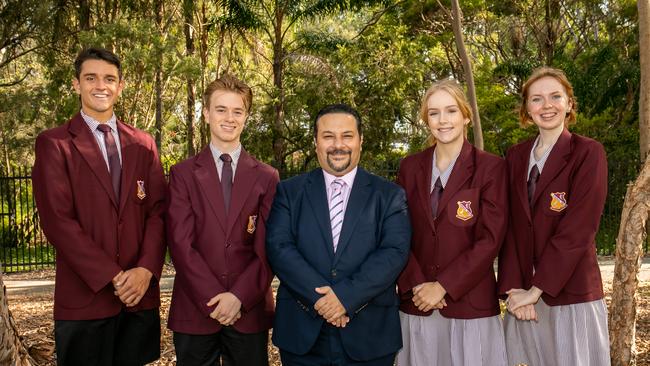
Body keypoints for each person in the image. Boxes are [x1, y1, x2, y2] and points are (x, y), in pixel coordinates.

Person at [32, 47, 166, 365]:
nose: (100, 86)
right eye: (91, 78)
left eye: (109, 79)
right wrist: (114, 276)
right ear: (77, 84)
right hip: (84, 301)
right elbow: (57, 221)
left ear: (120, 86)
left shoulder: (143, 144)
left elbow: (159, 211)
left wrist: (146, 270)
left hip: (138, 300)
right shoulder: (55, 144)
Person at [266, 104, 411, 365]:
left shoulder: (389, 195)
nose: (338, 145)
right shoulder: (289, 192)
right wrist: (324, 301)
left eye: (347, 135)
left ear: (360, 141)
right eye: (328, 136)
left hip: (369, 335)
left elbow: (393, 252)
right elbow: (280, 248)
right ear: (315, 142)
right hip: (302, 333)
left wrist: (345, 298)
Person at [497, 66, 611, 365]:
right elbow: (507, 228)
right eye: (536, 99)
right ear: (526, 108)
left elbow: (579, 229)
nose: (546, 106)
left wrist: (537, 289)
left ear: (569, 103)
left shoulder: (588, 153)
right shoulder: (514, 156)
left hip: (571, 294)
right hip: (524, 301)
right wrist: (514, 291)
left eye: (555, 96)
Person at [166, 74, 279, 366]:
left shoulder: (267, 177)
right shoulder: (183, 174)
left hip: (248, 310)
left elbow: (269, 247)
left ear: (246, 117)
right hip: (195, 309)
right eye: (221, 109)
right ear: (206, 114)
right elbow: (180, 244)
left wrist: (238, 297)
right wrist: (215, 297)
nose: (229, 118)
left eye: (237, 111)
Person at [395, 80, 508, 365]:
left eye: (451, 111)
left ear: (466, 115)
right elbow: (396, 233)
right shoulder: (410, 167)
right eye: (434, 113)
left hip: (470, 305)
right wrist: (418, 284)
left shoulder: (491, 167)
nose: (443, 120)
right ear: (426, 120)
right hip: (417, 303)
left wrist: (442, 286)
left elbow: (490, 239)